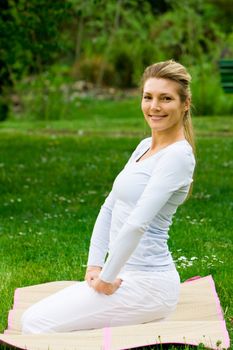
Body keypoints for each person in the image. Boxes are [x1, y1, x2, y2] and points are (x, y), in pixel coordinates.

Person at [20, 59, 196, 334]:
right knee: (34, 318)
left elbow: (137, 223)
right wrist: (95, 266)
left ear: (184, 104)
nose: (154, 106)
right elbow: (109, 206)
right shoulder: (143, 147)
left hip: (149, 283)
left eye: (166, 98)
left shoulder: (178, 157)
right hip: (122, 275)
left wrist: (107, 277)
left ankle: (141, 314)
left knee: (35, 324)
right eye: (148, 97)